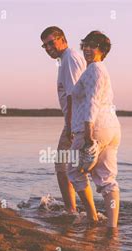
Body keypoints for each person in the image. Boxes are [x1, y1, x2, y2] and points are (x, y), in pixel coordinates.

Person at [68, 31, 121, 229]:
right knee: (107, 179)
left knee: (73, 171)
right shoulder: (101, 70)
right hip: (111, 128)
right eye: (86, 45)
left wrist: (88, 133)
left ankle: (92, 216)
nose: (88, 49)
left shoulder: (94, 70)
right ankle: (113, 227)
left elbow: (92, 101)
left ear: (102, 50)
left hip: (95, 127)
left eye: (94, 46)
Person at [40, 26, 86, 213]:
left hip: (76, 122)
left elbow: (73, 95)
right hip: (76, 121)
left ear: (63, 39)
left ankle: (72, 212)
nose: (49, 48)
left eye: (51, 42)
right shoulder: (66, 59)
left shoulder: (70, 58)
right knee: (72, 168)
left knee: (63, 167)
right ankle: (81, 212)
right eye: (45, 46)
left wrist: (69, 127)